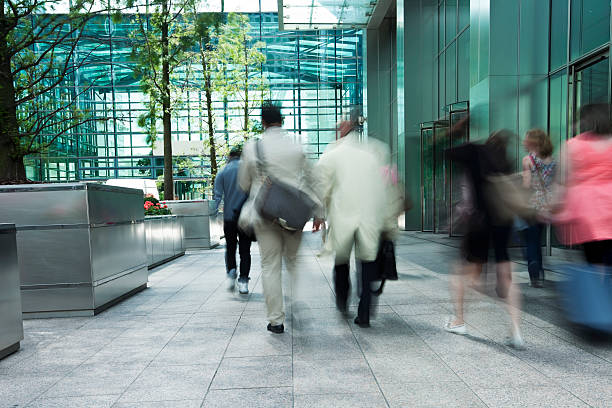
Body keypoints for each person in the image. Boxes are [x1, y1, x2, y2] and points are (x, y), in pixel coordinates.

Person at [238, 103, 319, 334]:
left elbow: (244, 183)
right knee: (293, 262)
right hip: (294, 214)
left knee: (270, 266)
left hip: (266, 213)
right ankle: (297, 305)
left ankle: (276, 320)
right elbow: (313, 179)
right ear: (281, 121)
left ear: (263, 122)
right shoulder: (296, 145)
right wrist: (320, 213)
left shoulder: (253, 147)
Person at [314, 112, 400, 327]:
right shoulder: (374, 152)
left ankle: (342, 302)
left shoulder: (332, 153)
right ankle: (364, 312)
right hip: (370, 217)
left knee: (341, 261)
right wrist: (388, 219)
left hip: (343, 216)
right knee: (368, 262)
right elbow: (385, 187)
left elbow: (321, 186)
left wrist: (319, 215)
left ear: (341, 131)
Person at [444, 126, 524, 349]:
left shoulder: (476, 154)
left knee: (462, 273)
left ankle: (459, 320)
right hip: (504, 223)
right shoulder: (506, 162)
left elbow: (446, 151)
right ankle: (516, 330)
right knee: (507, 277)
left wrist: (459, 130)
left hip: (479, 223)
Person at [556, 103, 612, 267]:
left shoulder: (572, 145)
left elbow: (562, 180)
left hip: (587, 211)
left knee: (594, 260)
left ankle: (598, 290)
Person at [213, 146, 252, 294]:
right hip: (246, 218)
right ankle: (243, 281)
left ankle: (231, 271)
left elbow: (217, 196)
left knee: (230, 247)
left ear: (229, 156)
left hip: (229, 217)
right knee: (245, 250)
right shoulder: (248, 171)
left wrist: (214, 214)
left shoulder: (223, 171)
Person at [520, 129, 557, 288]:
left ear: (532, 142)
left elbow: (527, 185)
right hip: (546, 204)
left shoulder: (528, 160)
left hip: (531, 203)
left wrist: (522, 179)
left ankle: (534, 272)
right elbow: (554, 184)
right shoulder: (552, 160)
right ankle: (539, 273)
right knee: (537, 239)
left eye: (526, 139)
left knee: (529, 240)